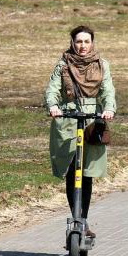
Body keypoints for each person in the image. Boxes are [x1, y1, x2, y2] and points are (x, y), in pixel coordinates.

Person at [45, 25, 116, 238]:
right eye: (78, 42)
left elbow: (107, 90)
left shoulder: (102, 65)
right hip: (67, 120)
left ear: (92, 43)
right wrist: (53, 106)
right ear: (72, 43)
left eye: (86, 41)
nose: (82, 46)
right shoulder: (63, 65)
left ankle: (82, 219)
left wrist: (109, 108)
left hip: (92, 121)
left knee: (86, 173)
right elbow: (52, 90)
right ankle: (74, 216)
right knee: (72, 170)